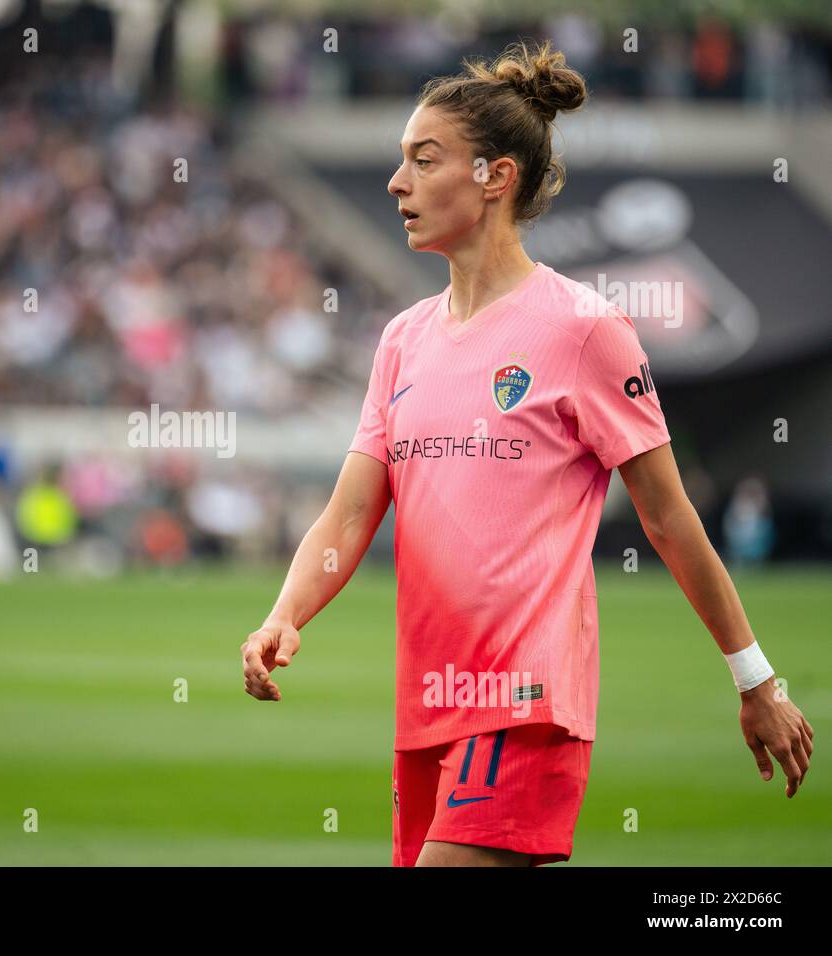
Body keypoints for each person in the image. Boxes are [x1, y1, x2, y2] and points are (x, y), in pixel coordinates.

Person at [240, 41, 813, 867]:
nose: (397, 183)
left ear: (495, 177)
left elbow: (668, 516)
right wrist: (284, 615)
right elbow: (353, 511)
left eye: (423, 160)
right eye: (400, 161)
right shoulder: (402, 340)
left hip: (526, 703)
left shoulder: (583, 328)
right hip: (430, 703)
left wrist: (756, 678)